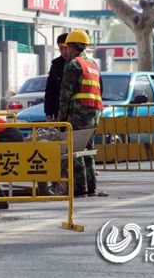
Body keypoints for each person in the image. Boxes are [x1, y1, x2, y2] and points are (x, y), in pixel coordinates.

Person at [57, 30, 105, 197]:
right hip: (94, 113)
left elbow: (65, 93)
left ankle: (79, 188)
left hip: (78, 112)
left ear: (73, 47)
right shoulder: (92, 64)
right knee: (88, 149)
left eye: (67, 47)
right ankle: (91, 187)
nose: (66, 51)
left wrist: (61, 117)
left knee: (75, 149)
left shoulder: (73, 65)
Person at [44, 33, 69, 121]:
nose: (64, 51)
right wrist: (48, 114)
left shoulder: (81, 64)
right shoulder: (56, 65)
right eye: (61, 48)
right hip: (59, 115)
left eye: (66, 48)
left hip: (77, 114)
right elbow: (50, 91)